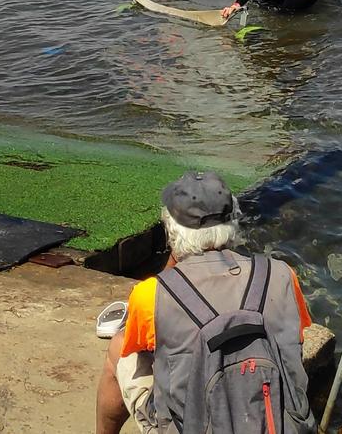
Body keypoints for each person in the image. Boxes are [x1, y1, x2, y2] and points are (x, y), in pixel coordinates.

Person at [94, 171, 313, 434]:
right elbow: (294, 338)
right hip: (275, 420)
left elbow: (143, 344)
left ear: (170, 229)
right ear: (233, 220)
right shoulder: (281, 274)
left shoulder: (152, 293)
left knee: (120, 347)